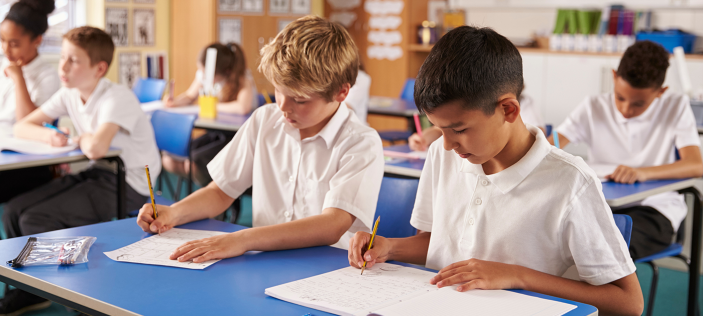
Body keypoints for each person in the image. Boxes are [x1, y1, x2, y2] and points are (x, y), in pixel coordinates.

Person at [348, 26, 643, 316]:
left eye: (459, 129)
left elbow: (629, 303)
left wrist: (517, 276)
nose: (448, 144)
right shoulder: (442, 153)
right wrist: (390, 248)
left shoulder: (571, 182)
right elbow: (437, 244)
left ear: (508, 110)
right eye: (439, 129)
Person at [136, 15, 384, 263]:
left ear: (341, 92)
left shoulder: (361, 143)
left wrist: (243, 239)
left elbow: (332, 225)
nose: (284, 106)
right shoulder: (265, 120)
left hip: (325, 271)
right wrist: (174, 213)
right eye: (278, 90)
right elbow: (221, 191)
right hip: (263, 263)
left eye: (299, 100)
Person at [2, 26, 161, 314]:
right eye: (62, 56)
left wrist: (82, 138)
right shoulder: (69, 92)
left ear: (99, 68)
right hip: (97, 173)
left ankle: (78, 299)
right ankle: (28, 290)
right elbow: (22, 124)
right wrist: (48, 136)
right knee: (14, 209)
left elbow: (97, 147)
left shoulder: (117, 96)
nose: (62, 66)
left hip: (130, 184)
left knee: (36, 218)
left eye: (72, 60)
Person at [551, 40, 703, 259]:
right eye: (620, 97)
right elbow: (553, 143)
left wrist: (641, 172)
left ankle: (616, 294)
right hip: (600, 206)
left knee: (602, 249)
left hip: (655, 210)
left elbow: (696, 165)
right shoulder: (594, 106)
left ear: (661, 92)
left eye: (638, 104)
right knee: (555, 237)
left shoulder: (676, 106)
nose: (625, 109)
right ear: (614, 77)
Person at [161, 42, 257, 185]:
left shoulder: (241, 78)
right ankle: (210, 185)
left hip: (237, 136)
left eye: (205, 72)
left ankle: (217, 188)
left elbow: (243, 107)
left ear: (225, 72)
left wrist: (213, 106)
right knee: (184, 153)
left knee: (197, 160)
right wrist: (174, 102)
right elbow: (190, 95)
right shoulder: (204, 75)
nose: (202, 75)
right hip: (216, 132)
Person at [0, 0, 60, 204]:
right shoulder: (3, 64)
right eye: (2, 40)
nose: (6, 50)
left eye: (14, 43)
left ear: (37, 40)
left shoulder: (48, 76)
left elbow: (26, 124)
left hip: (25, 165)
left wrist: (19, 79)